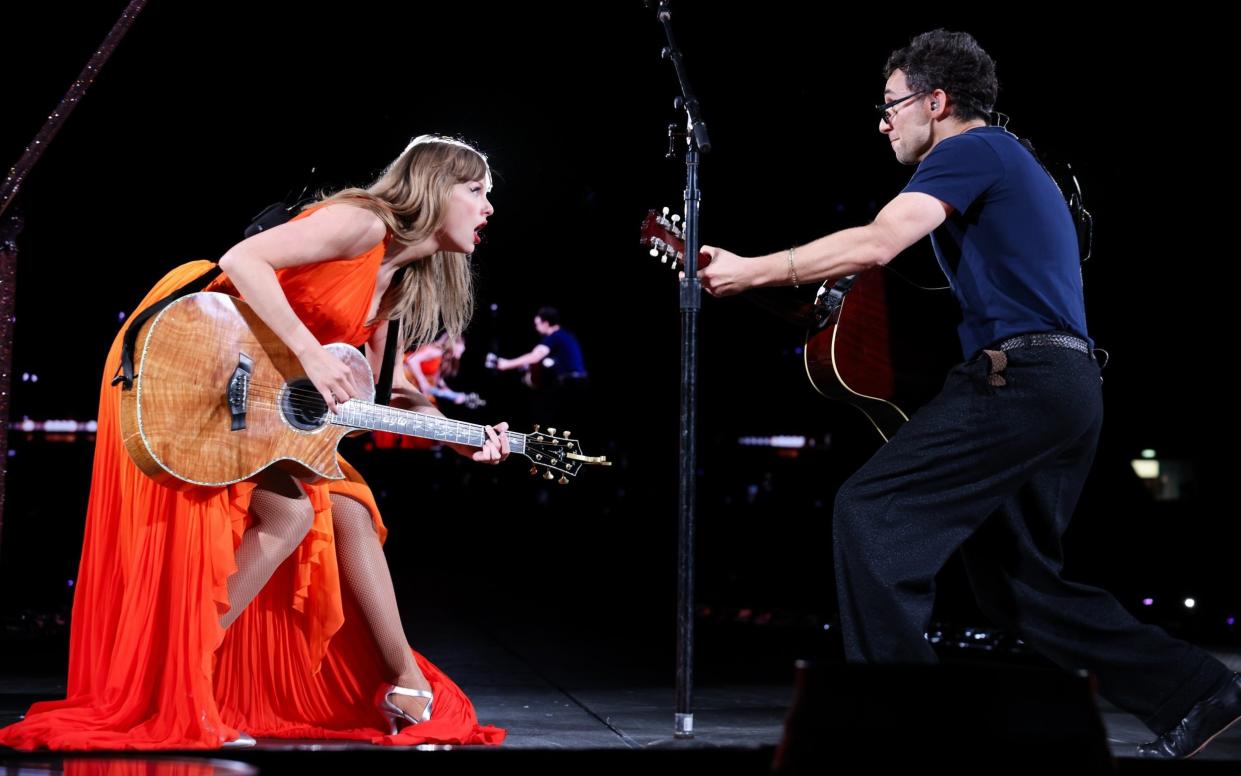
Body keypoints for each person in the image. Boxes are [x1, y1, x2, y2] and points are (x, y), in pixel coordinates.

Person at [695, 30, 1241, 760]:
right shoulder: (1011, 163)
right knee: (1018, 587)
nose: (881, 121)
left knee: (871, 514)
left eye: (891, 105)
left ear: (936, 101)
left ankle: (907, 728)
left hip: (1022, 382)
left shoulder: (968, 151)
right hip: (1064, 388)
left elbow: (878, 242)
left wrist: (754, 269)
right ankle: (1200, 696)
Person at [0, 135, 510, 749]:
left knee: (348, 505)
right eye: (476, 191)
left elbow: (383, 388)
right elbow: (242, 260)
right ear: (434, 188)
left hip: (264, 403)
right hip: (198, 361)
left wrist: (457, 435)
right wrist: (309, 352)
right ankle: (174, 689)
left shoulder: (399, 282)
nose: (487, 208)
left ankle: (401, 683)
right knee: (292, 510)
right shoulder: (361, 224)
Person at [494, 307, 588, 432]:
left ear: (546, 323)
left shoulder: (554, 336)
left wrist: (506, 364)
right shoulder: (565, 335)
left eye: (537, 324)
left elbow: (535, 356)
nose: (536, 327)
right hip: (579, 385)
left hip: (570, 385)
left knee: (543, 416)